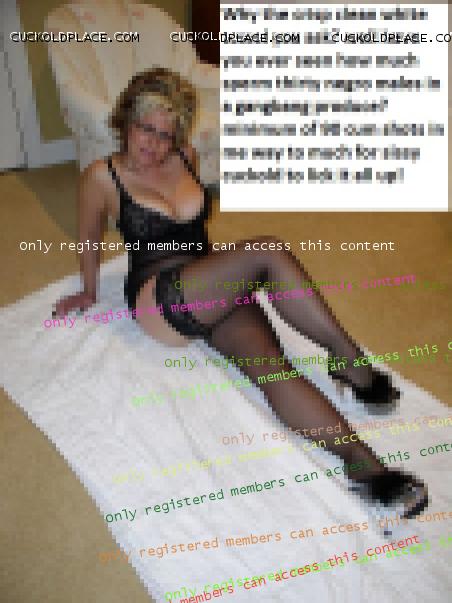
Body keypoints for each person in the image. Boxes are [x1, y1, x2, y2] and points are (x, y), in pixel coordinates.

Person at [55, 67, 428, 526]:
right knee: (267, 252)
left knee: (272, 366)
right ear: (125, 119)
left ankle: (367, 468)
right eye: (144, 128)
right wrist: (88, 290)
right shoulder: (101, 176)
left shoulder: (186, 155)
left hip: (208, 283)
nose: (153, 144)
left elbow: (194, 231)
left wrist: (224, 275)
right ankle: (350, 361)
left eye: (165, 135)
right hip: (160, 299)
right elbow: (88, 236)